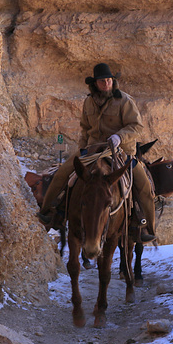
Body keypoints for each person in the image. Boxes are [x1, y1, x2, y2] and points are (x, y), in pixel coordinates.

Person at [37, 63, 156, 242]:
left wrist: (119, 137)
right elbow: (85, 128)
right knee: (62, 173)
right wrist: (82, 148)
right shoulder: (88, 102)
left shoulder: (124, 101)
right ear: (95, 84)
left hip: (120, 151)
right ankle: (48, 212)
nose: (106, 84)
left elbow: (136, 126)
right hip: (92, 150)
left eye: (108, 80)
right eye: (102, 81)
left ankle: (147, 227)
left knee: (144, 185)